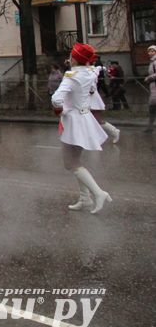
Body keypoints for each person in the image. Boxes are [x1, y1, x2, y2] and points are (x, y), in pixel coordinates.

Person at [52, 43, 111, 214]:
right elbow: (96, 73)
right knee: (75, 161)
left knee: (70, 163)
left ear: (75, 58)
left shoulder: (72, 76)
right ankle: (85, 198)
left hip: (74, 122)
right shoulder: (91, 71)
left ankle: (98, 193)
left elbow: (56, 99)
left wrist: (60, 110)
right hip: (85, 118)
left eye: (72, 55)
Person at [89, 58, 120, 144]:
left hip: (92, 99)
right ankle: (93, 138)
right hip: (87, 99)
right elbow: (100, 68)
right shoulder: (91, 69)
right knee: (88, 120)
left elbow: (91, 87)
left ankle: (114, 131)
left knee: (97, 120)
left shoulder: (91, 70)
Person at [145, 45, 156, 133]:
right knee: (152, 106)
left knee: (152, 106)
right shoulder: (152, 62)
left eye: (152, 51)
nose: (150, 53)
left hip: (154, 85)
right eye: (149, 51)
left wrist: (149, 78)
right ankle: (150, 127)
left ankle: (150, 127)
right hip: (153, 86)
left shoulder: (155, 62)